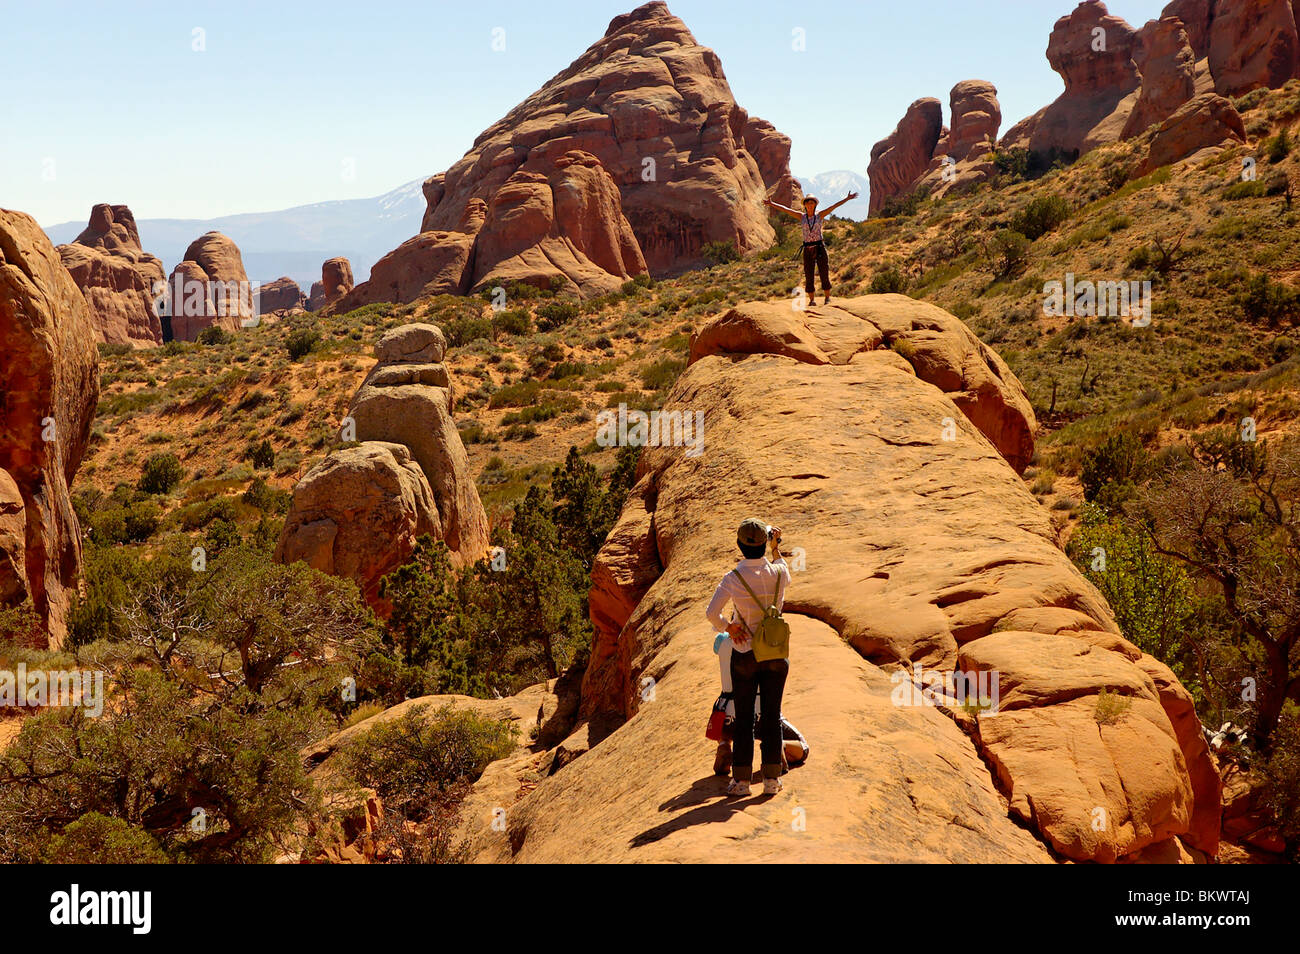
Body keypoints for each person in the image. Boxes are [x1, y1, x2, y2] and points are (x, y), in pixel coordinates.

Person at [705, 518, 792, 796]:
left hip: (745, 652)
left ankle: (741, 781)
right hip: (776, 653)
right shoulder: (779, 573)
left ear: (740, 545)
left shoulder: (733, 578)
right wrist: (776, 547)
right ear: (765, 543)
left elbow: (711, 613)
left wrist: (728, 628)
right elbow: (782, 566)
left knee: (744, 717)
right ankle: (771, 780)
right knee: (772, 715)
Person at [765, 192, 859, 305]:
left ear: (815, 205)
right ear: (805, 205)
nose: (810, 205)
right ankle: (812, 300)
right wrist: (771, 204)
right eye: (808, 203)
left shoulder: (819, 215)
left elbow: (834, 206)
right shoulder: (801, 216)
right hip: (807, 249)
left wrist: (847, 199)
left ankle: (827, 298)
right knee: (809, 275)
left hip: (819, 248)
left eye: (812, 203)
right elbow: (786, 210)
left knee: (824, 272)